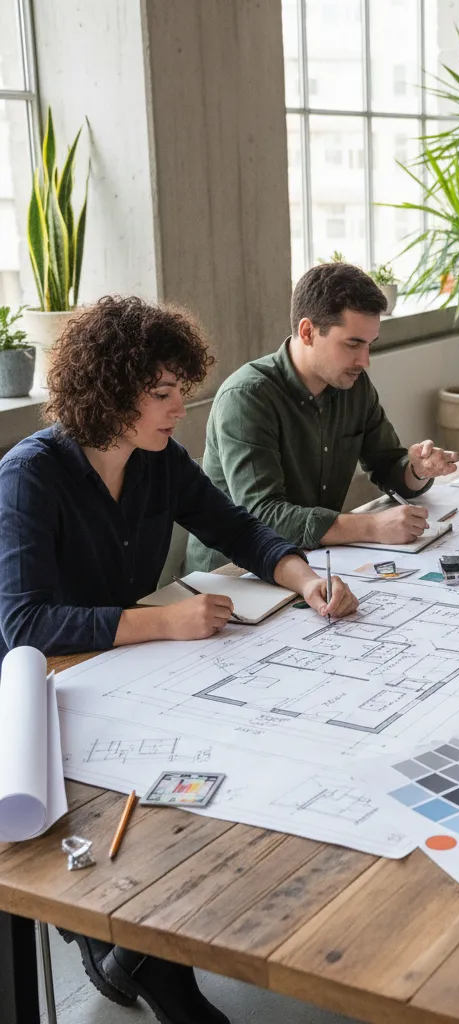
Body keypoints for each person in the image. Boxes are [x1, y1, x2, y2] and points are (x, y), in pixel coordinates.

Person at [0, 296, 357, 1024]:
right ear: (110, 392)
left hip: (120, 667)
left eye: (179, 391)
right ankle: (138, 954)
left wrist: (305, 580)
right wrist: (165, 621)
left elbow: (239, 528)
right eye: (162, 394)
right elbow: (23, 625)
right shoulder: (29, 476)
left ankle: (140, 950)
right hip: (38, 694)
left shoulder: (159, 461)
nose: (178, 409)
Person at [187, 262, 458, 571]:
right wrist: (372, 526)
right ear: (307, 332)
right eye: (353, 344)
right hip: (233, 575)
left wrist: (417, 469)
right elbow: (263, 516)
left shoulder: (353, 386)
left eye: (370, 345)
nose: (365, 360)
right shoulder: (247, 397)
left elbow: (387, 465)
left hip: (311, 561)